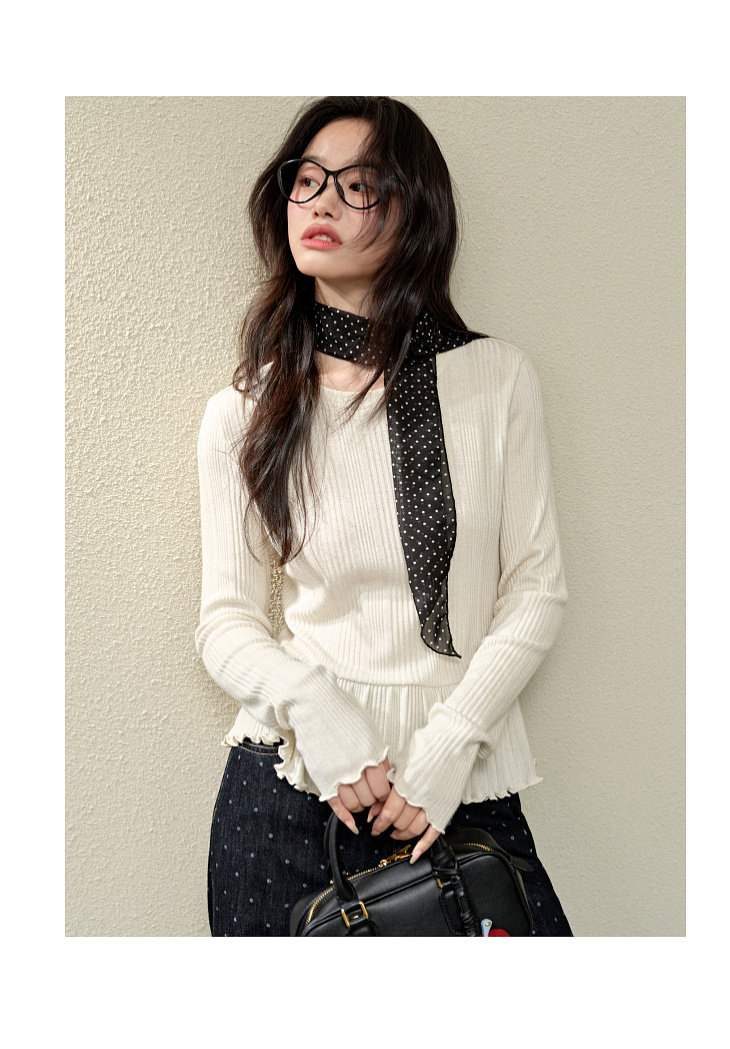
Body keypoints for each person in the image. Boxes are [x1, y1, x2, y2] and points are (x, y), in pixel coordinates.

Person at [196, 96, 573, 936]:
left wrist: (450, 745)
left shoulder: (497, 379)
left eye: (359, 185)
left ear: (417, 213)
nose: (321, 201)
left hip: (458, 785)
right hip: (293, 788)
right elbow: (224, 621)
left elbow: (536, 589)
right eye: (307, 179)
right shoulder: (243, 412)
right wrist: (314, 709)